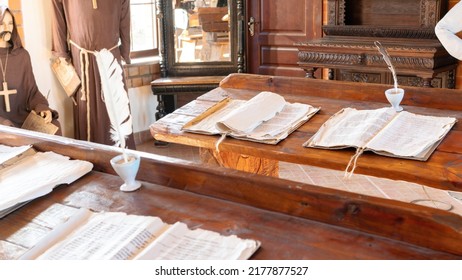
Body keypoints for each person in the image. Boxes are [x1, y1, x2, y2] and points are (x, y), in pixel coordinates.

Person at [51, 0, 135, 148]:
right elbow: (57, 17)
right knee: (87, 113)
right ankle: (93, 160)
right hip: (82, 59)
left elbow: (125, 15)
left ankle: (123, 158)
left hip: (110, 58)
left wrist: (125, 49)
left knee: (116, 111)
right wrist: (61, 53)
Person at [0, 6, 61, 134]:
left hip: (21, 119)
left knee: (54, 126)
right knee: (10, 134)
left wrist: (43, 108)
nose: (7, 28)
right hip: (2, 123)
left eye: (10, 23)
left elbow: (32, 92)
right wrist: (4, 123)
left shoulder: (22, 55)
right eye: (2, 23)